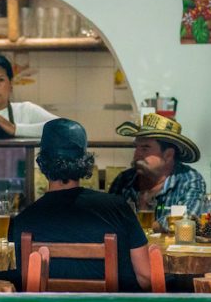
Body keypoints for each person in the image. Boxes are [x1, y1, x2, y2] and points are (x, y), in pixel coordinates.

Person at [12, 118, 151, 292]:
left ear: (42, 163)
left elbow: (23, 284)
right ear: (84, 161)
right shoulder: (117, 208)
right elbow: (146, 277)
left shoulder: (24, 221)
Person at [109, 113, 206, 232]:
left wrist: (143, 228)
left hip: (169, 250)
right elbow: (108, 218)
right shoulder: (125, 180)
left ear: (168, 155)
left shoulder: (189, 179)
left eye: (145, 148)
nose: (137, 154)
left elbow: (188, 219)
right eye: (136, 148)